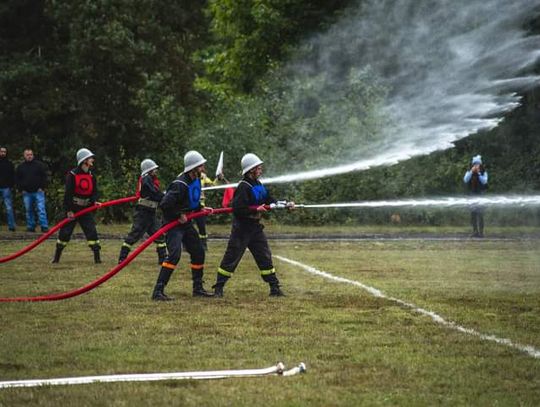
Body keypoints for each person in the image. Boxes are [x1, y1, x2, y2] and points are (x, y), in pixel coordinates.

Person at [212, 153, 294, 298]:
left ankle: (274, 288)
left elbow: (269, 200)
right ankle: (218, 288)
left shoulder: (259, 184)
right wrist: (255, 209)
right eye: (258, 168)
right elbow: (238, 209)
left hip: (255, 229)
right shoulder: (243, 187)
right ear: (251, 170)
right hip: (242, 230)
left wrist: (285, 204)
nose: (260, 170)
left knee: (264, 256)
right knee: (231, 257)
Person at [151, 150, 213, 301]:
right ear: (193, 168)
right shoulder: (179, 184)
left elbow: (191, 200)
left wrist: (200, 209)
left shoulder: (195, 180)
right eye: (200, 166)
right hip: (173, 224)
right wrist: (179, 215)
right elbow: (165, 204)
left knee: (198, 252)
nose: (203, 168)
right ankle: (158, 291)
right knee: (174, 255)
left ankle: (197, 289)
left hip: (186, 223)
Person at [52, 148, 102, 264]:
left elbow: (94, 192)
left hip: (85, 209)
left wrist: (94, 201)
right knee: (65, 233)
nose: (92, 160)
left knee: (91, 232)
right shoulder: (72, 175)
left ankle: (97, 258)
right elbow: (68, 194)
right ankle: (56, 258)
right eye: (90, 158)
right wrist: (69, 210)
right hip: (73, 208)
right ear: (84, 160)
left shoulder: (91, 175)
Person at [118, 159, 167, 264]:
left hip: (151, 212)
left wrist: (164, 195)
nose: (156, 171)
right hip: (143, 213)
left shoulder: (150, 180)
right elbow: (154, 193)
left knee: (159, 234)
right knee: (134, 235)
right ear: (149, 170)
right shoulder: (146, 179)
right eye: (154, 169)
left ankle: (162, 258)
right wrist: (165, 196)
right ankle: (122, 257)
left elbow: (156, 193)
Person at [15, 149, 49, 232]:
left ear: (33, 155)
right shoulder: (21, 167)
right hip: (26, 192)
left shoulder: (39, 165)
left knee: (41, 209)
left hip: (38, 191)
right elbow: (17, 179)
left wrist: (42, 187)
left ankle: (44, 226)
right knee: (28, 210)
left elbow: (44, 176)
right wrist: (21, 189)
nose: (29, 156)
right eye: (27, 155)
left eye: (31, 154)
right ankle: (31, 227)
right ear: (24, 156)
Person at [195, 171, 226, 250]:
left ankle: (203, 245)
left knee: (202, 226)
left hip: (200, 206)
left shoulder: (203, 176)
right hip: (188, 206)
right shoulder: (184, 176)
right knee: (186, 226)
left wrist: (218, 178)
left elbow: (212, 185)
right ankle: (185, 245)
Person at [463, 154, 488, 238]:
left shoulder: (484, 172)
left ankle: (481, 232)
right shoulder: (469, 171)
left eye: (478, 164)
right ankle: (475, 231)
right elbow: (465, 180)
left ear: (480, 164)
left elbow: (484, 182)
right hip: (472, 195)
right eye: (475, 164)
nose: (476, 165)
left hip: (481, 195)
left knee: (480, 214)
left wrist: (479, 173)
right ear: (473, 164)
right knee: (473, 214)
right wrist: (471, 172)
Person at [0, 146, 16, 231]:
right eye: (1, 151)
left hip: (6, 188)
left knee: (9, 208)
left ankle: (11, 226)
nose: (2, 153)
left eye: (4, 152)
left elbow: (13, 176)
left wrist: (11, 186)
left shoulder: (9, 164)